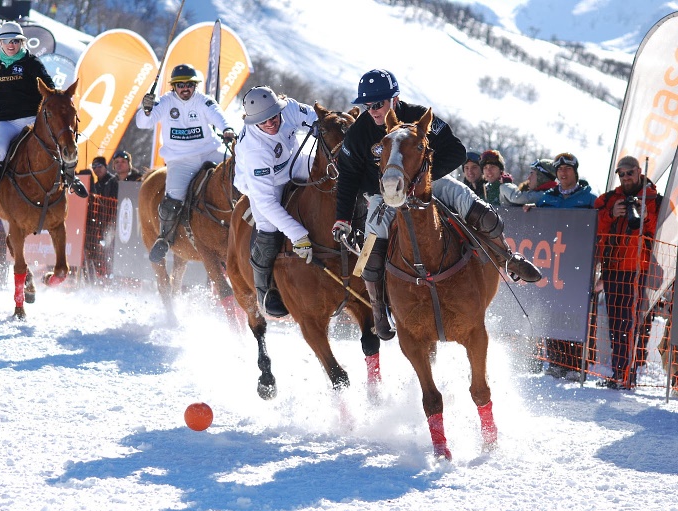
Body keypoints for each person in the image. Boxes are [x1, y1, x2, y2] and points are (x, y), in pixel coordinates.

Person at [333, 69, 541, 340]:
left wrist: (423, 179)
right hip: (385, 194)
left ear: (394, 100)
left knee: (472, 203)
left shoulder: (419, 116)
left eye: (378, 104)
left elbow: (456, 151)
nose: (372, 110)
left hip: (428, 183)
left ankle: (508, 258)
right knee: (371, 243)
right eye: (367, 105)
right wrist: (343, 218)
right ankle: (379, 312)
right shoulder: (359, 132)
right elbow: (348, 176)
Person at [0, 21, 87, 219]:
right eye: (6, 41)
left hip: (31, 119)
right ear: (1, 43)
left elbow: (48, 86)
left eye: (15, 41)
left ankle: (71, 178)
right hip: (6, 121)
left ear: (21, 42)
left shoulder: (31, 63)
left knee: (57, 142)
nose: (11, 45)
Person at [136, 64, 237, 262]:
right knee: (172, 199)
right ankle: (164, 238)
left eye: (189, 85)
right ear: (174, 86)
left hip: (209, 152)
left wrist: (227, 129)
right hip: (180, 160)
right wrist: (146, 109)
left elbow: (218, 114)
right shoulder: (165, 102)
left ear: (194, 86)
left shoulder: (202, 101)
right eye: (180, 85)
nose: (185, 89)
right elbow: (143, 123)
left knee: (239, 172)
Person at [233, 86, 317, 318]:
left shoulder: (288, 107)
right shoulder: (254, 149)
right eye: (262, 122)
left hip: (292, 162)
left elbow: (314, 117)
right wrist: (298, 235)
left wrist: (323, 127)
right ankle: (265, 291)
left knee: (330, 172)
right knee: (268, 228)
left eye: (273, 117)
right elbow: (268, 204)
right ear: (252, 122)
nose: (270, 124)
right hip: (263, 183)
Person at [523, 153, 597, 380]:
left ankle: (575, 365)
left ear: (575, 172)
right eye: (560, 170)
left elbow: (598, 228)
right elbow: (538, 227)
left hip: (578, 265)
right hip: (552, 265)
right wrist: (528, 212)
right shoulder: (547, 198)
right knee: (551, 309)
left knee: (573, 313)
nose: (563, 173)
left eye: (567, 169)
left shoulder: (589, 198)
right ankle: (555, 361)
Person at [594, 155, 661, 389]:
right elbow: (595, 223)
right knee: (616, 324)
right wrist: (611, 213)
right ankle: (618, 373)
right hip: (612, 269)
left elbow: (661, 231)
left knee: (631, 324)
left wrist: (645, 216)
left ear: (639, 171)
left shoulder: (654, 200)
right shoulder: (610, 199)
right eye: (621, 174)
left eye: (629, 172)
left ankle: (627, 374)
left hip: (638, 271)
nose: (625, 177)